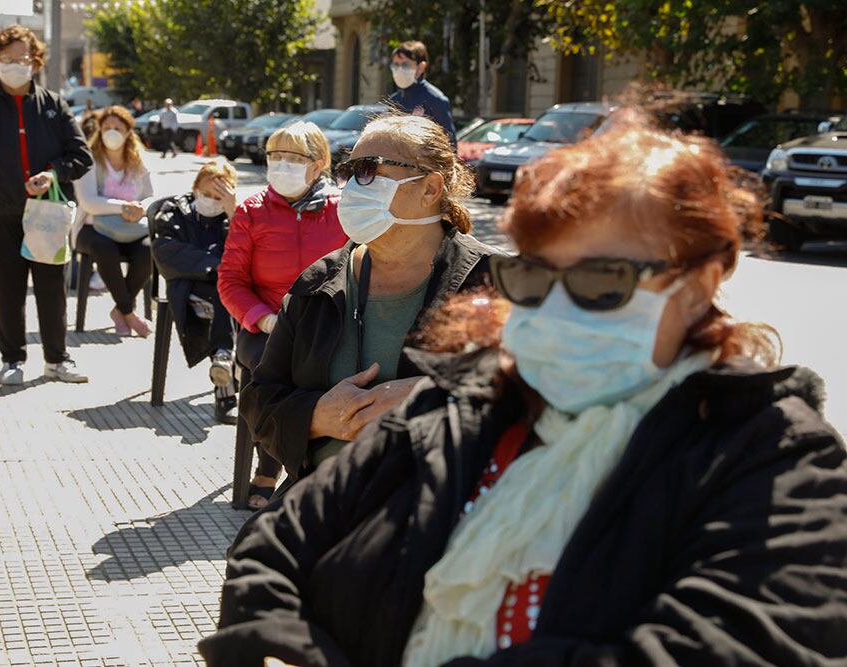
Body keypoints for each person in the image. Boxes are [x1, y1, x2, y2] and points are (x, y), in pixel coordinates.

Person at [198, 113, 847, 666]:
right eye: (536, 278)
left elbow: (736, 644)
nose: (558, 309)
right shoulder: (467, 406)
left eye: (602, 279)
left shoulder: (776, 460)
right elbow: (272, 543)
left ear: (699, 284)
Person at [241, 114, 497, 485]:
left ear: (429, 188)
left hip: (446, 514)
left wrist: (434, 396)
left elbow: (543, 394)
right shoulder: (318, 283)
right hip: (324, 503)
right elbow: (259, 401)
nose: (352, 187)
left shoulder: (494, 283)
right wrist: (317, 415)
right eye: (350, 172)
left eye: (369, 170)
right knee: (250, 546)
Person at [0, 25, 93, 385]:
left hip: (49, 214)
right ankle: (12, 359)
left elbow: (81, 156)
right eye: (7, 58)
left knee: (52, 288)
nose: (16, 65)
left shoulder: (54, 105)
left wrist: (53, 174)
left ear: (36, 61)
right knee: (8, 288)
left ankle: (57, 359)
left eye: (23, 58)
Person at [217, 120, 347, 508]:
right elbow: (231, 280)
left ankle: (317, 465)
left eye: (293, 157)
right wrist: (263, 318)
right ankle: (273, 466)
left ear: (318, 163)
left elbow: (361, 265)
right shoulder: (252, 211)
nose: (280, 165)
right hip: (266, 324)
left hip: (327, 320)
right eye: (275, 156)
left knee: (331, 369)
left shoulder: (343, 209)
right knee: (273, 372)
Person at [150, 159, 240, 424]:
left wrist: (234, 213)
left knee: (235, 295)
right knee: (229, 293)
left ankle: (225, 362)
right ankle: (226, 392)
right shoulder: (173, 211)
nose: (212, 201)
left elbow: (248, 252)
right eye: (207, 194)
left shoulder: (234, 216)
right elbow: (167, 252)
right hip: (188, 287)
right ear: (195, 187)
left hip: (223, 289)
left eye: (219, 197)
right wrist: (217, 265)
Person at [72, 105, 154, 338]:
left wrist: (142, 209)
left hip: (132, 229)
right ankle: (128, 312)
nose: (112, 132)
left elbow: (150, 196)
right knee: (104, 248)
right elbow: (88, 202)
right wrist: (123, 207)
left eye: (118, 128)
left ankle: (119, 311)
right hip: (92, 229)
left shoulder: (138, 161)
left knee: (149, 250)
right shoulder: (89, 160)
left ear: (128, 131)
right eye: (106, 127)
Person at [387, 40, 456, 145]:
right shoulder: (393, 101)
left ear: (421, 67)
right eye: (396, 65)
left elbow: (450, 145)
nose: (399, 70)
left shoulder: (435, 100)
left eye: (405, 65)